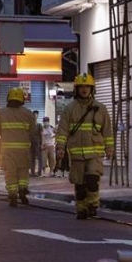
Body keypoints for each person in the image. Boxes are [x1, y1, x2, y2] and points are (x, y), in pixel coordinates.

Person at [56, 73, 114, 219]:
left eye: (87, 86)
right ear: (76, 89)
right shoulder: (69, 109)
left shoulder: (100, 108)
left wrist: (109, 148)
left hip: (95, 153)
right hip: (76, 154)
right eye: (81, 86)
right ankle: (81, 208)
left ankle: (93, 205)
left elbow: (107, 131)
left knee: (93, 180)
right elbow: (62, 130)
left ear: (92, 89)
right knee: (80, 184)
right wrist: (60, 147)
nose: (84, 89)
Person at [0, 87, 35, 207]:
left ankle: (12, 194)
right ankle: (23, 188)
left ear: (8, 98)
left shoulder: (0, 113)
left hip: (7, 149)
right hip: (24, 149)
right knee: (23, 171)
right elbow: (32, 131)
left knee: (10, 172)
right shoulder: (29, 113)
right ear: (22, 99)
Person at [30, 110, 44, 176]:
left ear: (38, 116)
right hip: (31, 143)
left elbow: (42, 135)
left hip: (37, 143)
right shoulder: (30, 125)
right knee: (32, 157)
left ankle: (39, 172)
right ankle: (32, 172)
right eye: (34, 114)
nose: (35, 116)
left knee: (39, 157)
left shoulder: (39, 125)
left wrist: (42, 144)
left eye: (36, 115)